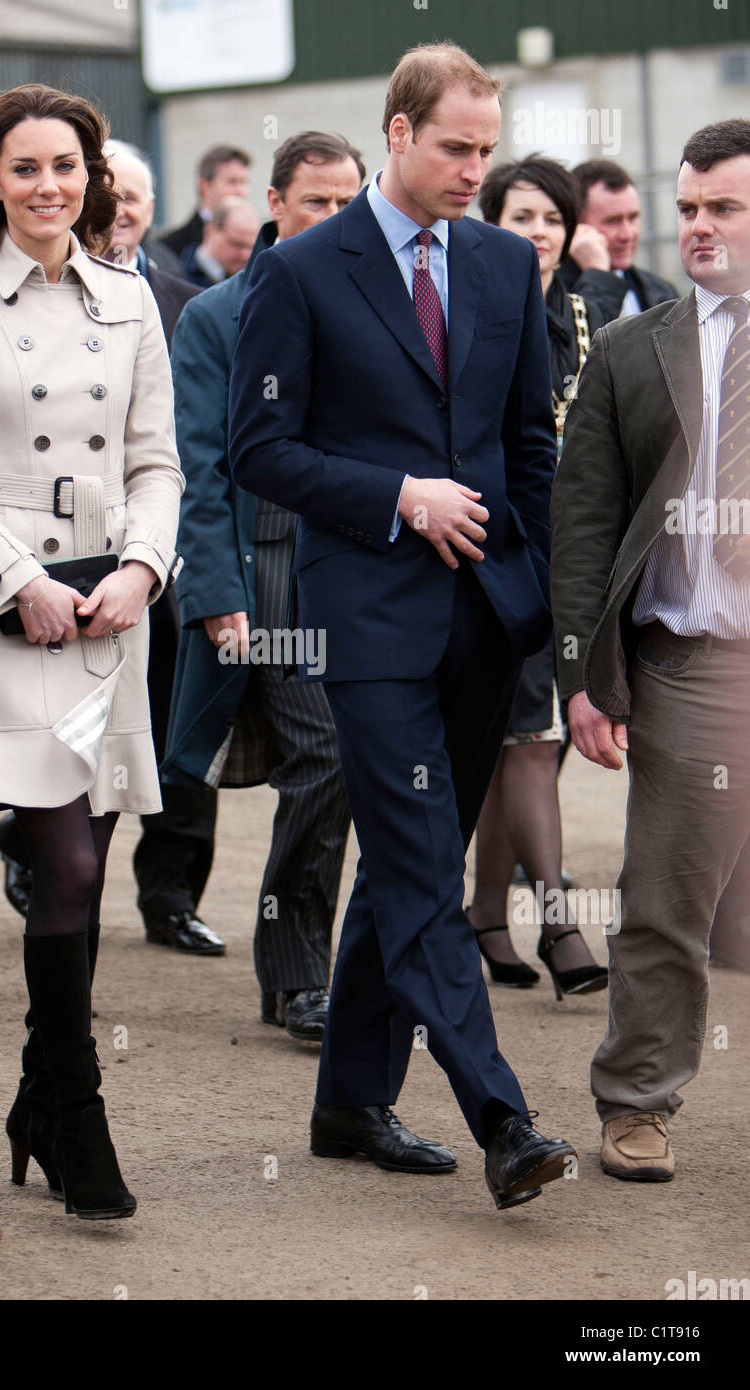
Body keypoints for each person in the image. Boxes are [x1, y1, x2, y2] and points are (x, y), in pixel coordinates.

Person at [229, 43, 575, 1209]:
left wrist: (538, 597)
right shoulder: (304, 269)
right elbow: (259, 450)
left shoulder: (498, 265)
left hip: (488, 616)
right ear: (395, 131)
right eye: (454, 147)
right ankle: (501, 1113)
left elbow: (530, 445)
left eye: (486, 148)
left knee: (403, 856)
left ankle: (346, 1101)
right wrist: (396, 499)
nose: (475, 169)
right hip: (367, 618)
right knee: (426, 860)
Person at [0, 84, 183, 1219]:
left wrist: (143, 569)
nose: (48, 186)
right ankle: (78, 1108)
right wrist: (19, 582)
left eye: (66, 166)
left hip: (113, 606)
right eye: (24, 169)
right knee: (62, 863)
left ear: (92, 175)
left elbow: (160, 460)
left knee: (89, 861)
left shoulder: (130, 297)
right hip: (11, 612)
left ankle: (36, 1096)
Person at [551, 118, 750, 1181]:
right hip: (694, 668)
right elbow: (581, 525)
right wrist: (584, 677)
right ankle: (634, 1101)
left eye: (724, 206)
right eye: (690, 207)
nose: (700, 227)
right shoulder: (632, 348)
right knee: (667, 902)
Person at [0, 139, 224, 957]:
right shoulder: (34, 301)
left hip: (177, 556)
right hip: (75, 564)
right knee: (78, 737)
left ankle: (170, 897)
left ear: (151, 209)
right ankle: (36, 845)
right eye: (110, 192)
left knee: (177, 733)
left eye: (135, 195)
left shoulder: (189, 303)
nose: (121, 208)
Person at [164, 131, 364, 1042]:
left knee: (366, 769)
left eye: (345, 202)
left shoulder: (382, 303)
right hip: (268, 564)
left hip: (367, 560)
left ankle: (348, 962)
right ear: (274, 206)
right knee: (322, 759)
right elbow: (196, 466)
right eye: (314, 202)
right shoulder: (214, 317)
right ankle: (296, 976)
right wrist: (211, 589)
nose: (331, 217)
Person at [468, 155, 609, 997]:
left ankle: (485, 913)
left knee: (512, 744)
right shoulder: (475, 311)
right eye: (521, 217)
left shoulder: (590, 318)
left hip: (577, 553)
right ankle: (556, 918)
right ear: (491, 225)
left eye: (551, 218)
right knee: (531, 734)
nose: (539, 233)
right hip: (499, 549)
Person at [561, 158, 678, 319]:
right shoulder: (553, 293)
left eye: (632, 218)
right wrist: (598, 275)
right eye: (613, 221)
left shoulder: (662, 292)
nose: (627, 235)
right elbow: (584, 339)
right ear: (577, 226)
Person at [162, 143, 251, 258]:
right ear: (204, 186)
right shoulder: (171, 247)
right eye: (232, 182)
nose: (241, 191)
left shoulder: (260, 242)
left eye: (244, 182)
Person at [180, 198, 261, 288]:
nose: (246, 255)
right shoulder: (179, 274)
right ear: (210, 232)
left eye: (251, 247)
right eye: (237, 244)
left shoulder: (255, 279)